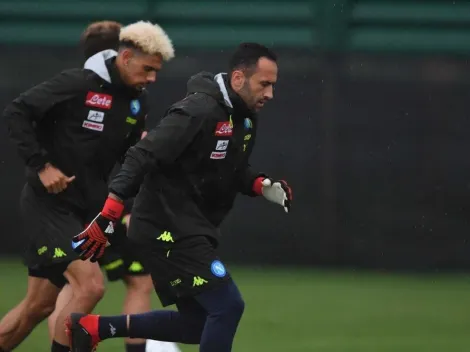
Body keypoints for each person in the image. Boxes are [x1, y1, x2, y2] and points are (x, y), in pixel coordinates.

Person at [67, 42, 293, 352]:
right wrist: (110, 213)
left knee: (197, 324)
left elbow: (234, 169)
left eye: (273, 85)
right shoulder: (198, 110)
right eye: (264, 84)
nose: (270, 94)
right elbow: (141, 155)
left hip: (189, 226)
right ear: (239, 79)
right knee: (227, 306)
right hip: (166, 226)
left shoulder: (245, 120)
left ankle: (93, 328)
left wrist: (261, 185)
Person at [0, 20, 174, 352]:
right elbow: (17, 112)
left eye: (157, 71)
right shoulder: (77, 84)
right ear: (125, 57)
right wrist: (42, 166)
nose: (152, 78)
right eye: (147, 68)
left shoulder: (137, 101)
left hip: (88, 209)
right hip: (49, 205)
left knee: (37, 308)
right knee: (91, 286)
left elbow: (129, 157)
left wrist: (133, 203)